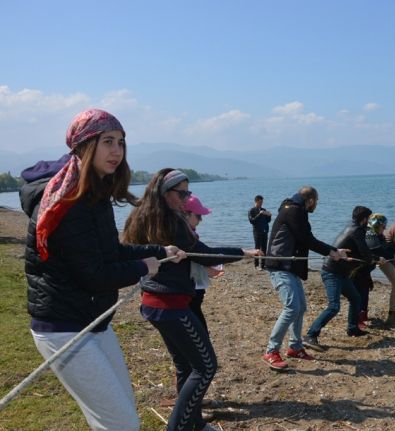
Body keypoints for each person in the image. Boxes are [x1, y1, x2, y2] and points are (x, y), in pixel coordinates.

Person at [20, 109, 184, 431]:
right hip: (63, 328)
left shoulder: (94, 194)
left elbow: (110, 252)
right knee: (121, 424)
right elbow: (94, 274)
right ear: (83, 145)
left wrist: (160, 250)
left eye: (121, 142)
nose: (117, 151)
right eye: (107, 142)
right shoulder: (66, 201)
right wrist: (143, 268)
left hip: (93, 322)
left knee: (120, 418)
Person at [123, 168, 260, 431]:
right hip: (169, 307)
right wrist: (242, 251)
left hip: (154, 303)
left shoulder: (143, 217)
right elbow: (204, 254)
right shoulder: (171, 222)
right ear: (164, 192)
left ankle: (194, 423)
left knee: (186, 366)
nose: (186, 199)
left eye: (189, 192)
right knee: (206, 367)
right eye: (181, 193)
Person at [263, 186, 347, 370]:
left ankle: (295, 347)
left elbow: (303, 239)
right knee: (292, 308)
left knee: (300, 308)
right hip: (280, 266)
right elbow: (307, 239)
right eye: (316, 202)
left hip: (289, 266)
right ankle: (271, 351)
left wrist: (332, 251)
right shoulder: (294, 211)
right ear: (310, 200)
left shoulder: (293, 209)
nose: (316, 205)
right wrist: (332, 252)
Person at [304, 206, 375, 349]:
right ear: (364, 219)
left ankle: (352, 328)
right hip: (331, 272)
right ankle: (311, 335)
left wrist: (373, 258)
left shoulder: (353, 226)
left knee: (356, 299)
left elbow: (360, 253)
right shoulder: (357, 230)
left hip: (341, 272)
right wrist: (377, 258)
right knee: (334, 306)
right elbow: (365, 253)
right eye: (368, 218)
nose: (369, 222)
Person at [183, 194, 225, 332]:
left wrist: (206, 268)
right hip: (189, 289)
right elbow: (187, 261)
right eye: (198, 216)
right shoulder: (184, 236)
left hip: (194, 287)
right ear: (186, 215)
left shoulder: (190, 232)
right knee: (196, 320)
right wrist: (207, 269)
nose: (201, 220)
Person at [354, 213, 395, 327]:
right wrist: (393, 255)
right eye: (383, 226)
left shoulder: (378, 234)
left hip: (366, 269)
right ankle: (357, 319)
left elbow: (386, 246)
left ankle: (363, 316)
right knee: (360, 292)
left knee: (365, 290)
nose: (385, 228)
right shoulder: (369, 234)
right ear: (375, 225)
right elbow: (377, 250)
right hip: (358, 269)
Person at [248, 195, 271, 270]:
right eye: (260, 202)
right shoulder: (251, 210)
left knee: (264, 248)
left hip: (264, 231)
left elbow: (268, 221)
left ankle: (263, 265)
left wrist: (269, 215)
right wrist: (260, 214)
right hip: (257, 232)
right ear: (256, 201)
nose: (261, 203)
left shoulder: (263, 209)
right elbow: (252, 221)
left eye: (262, 202)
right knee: (257, 248)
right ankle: (256, 265)